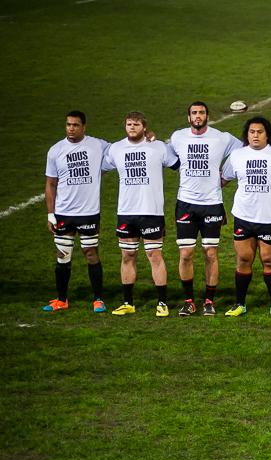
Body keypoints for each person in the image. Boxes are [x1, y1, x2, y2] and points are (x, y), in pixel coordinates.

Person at [167, 101, 244, 316]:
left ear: (207, 116)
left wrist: (226, 174)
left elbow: (246, 150)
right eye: (194, 113)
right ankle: (189, 301)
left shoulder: (222, 138)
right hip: (186, 203)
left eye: (201, 112)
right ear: (188, 117)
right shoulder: (178, 137)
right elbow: (166, 155)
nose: (198, 116)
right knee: (186, 254)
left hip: (212, 204)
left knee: (210, 253)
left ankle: (209, 300)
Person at [102, 111, 178, 316]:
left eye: (136, 124)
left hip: (151, 211)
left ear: (144, 127)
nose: (132, 127)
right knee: (127, 255)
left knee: (154, 255)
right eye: (129, 124)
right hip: (126, 211)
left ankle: (162, 303)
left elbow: (178, 164)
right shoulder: (115, 149)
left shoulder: (158, 147)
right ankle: (128, 302)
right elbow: (98, 166)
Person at [220, 116, 271, 318]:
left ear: (267, 134)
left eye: (260, 132)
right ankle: (240, 304)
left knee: (268, 259)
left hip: (269, 218)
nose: (255, 135)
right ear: (247, 135)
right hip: (243, 216)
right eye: (252, 132)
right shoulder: (237, 156)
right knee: (244, 259)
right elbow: (223, 179)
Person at [43, 110, 110, 312]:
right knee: (63, 255)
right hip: (64, 213)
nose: (71, 128)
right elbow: (50, 183)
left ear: (84, 127)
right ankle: (61, 299)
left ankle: (98, 299)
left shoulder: (98, 145)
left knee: (91, 253)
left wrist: (148, 137)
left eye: (75, 125)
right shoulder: (55, 151)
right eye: (68, 124)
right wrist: (50, 214)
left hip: (89, 212)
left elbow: (123, 149)